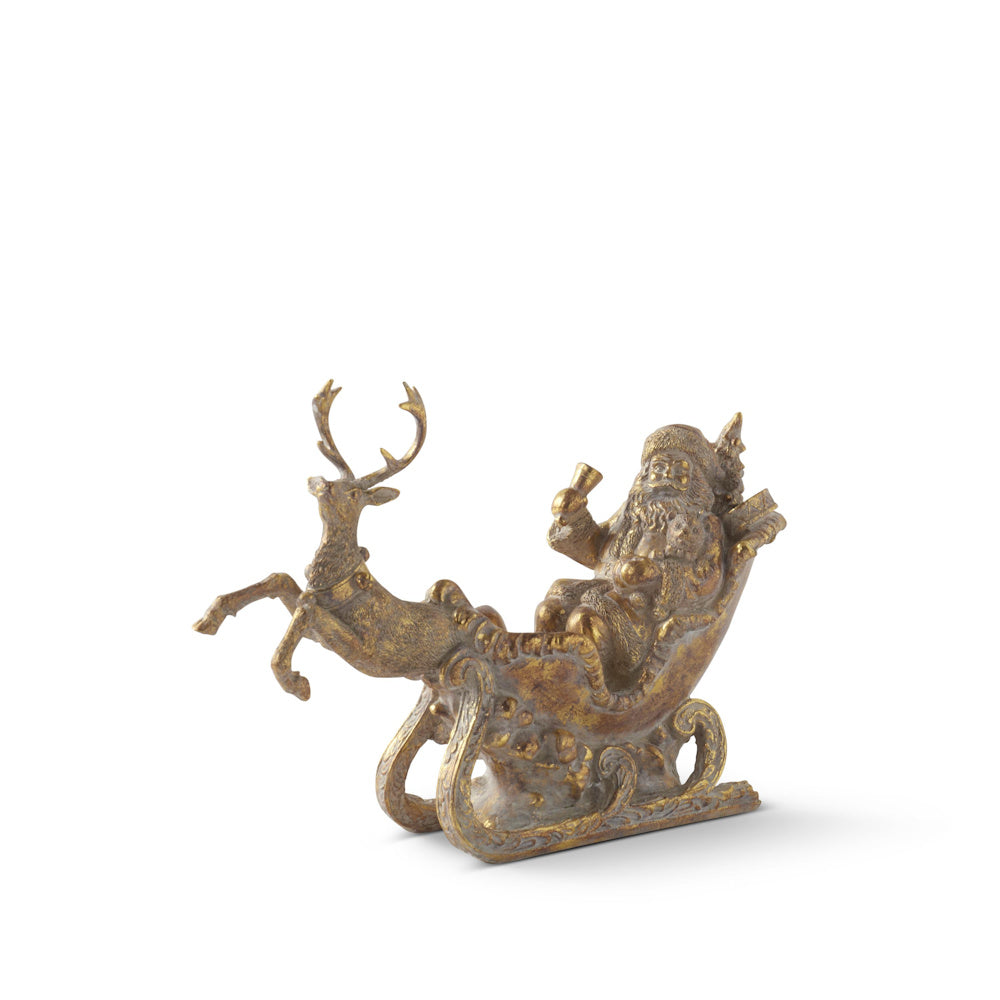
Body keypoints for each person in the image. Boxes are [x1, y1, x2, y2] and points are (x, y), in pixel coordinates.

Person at [536, 419, 743, 690]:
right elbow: (595, 551)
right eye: (659, 468)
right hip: (605, 591)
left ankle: (590, 694)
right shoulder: (632, 514)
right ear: (645, 474)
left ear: (696, 482)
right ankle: (547, 683)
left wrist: (656, 575)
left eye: (679, 471)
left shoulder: (703, 525)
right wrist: (573, 517)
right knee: (550, 610)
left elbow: (706, 580)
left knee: (584, 620)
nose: (666, 477)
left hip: (645, 615)